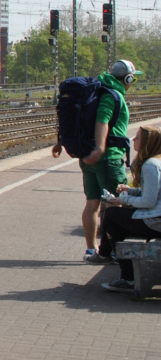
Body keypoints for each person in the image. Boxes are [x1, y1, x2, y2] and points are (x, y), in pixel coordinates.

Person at [52, 59, 139, 263]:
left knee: (92, 204)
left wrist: (61, 142)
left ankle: (91, 249)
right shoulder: (112, 96)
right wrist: (100, 148)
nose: (132, 82)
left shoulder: (95, 92)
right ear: (127, 78)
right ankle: (113, 251)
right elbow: (102, 121)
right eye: (133, 79)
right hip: (108, 158)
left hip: (87, 156)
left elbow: (75, 120)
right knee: (114, 205)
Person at [98, 124, 161, 291]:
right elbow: (154, 192)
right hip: (156, 218)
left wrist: (123, 200)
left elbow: (149, 201)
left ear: (147, 142)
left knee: (111, 212)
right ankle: (126, 277)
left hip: (155, 221)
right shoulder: (156, 161)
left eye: (138, 137)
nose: (134, 140)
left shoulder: (150, 165)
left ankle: (105, 255)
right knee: (113, 228)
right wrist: (131, 191)